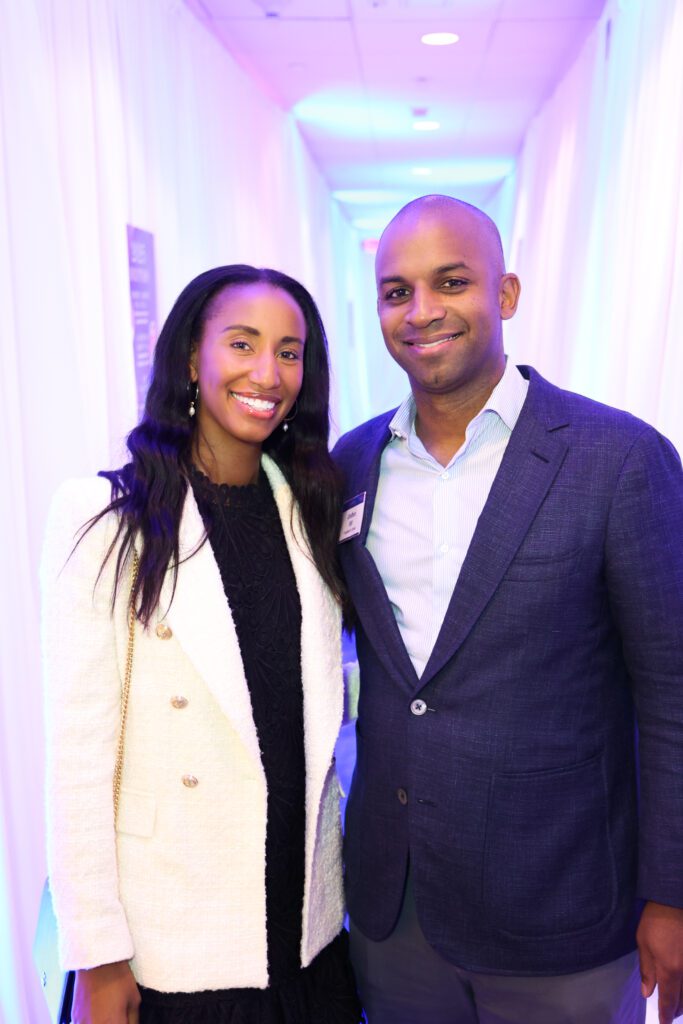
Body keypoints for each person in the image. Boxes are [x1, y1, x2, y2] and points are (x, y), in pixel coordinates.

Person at [333, 195, 683, 1024]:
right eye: (395, 291)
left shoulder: (619, 459)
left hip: (562, 909)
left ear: (506, 293)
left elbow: (671, 696)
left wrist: (669, 894)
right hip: (397, 915)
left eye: (450, 282)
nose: (420, 313)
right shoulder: (351, 464)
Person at [41, 265, 362, 1024]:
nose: (266, 373)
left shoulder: (307, 506)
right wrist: (98, 956)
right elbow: (79, 760)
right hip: (173, 946)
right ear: (192, 357)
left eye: (289, 352)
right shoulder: (109, 518)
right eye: (242, 344)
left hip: (308, 931)